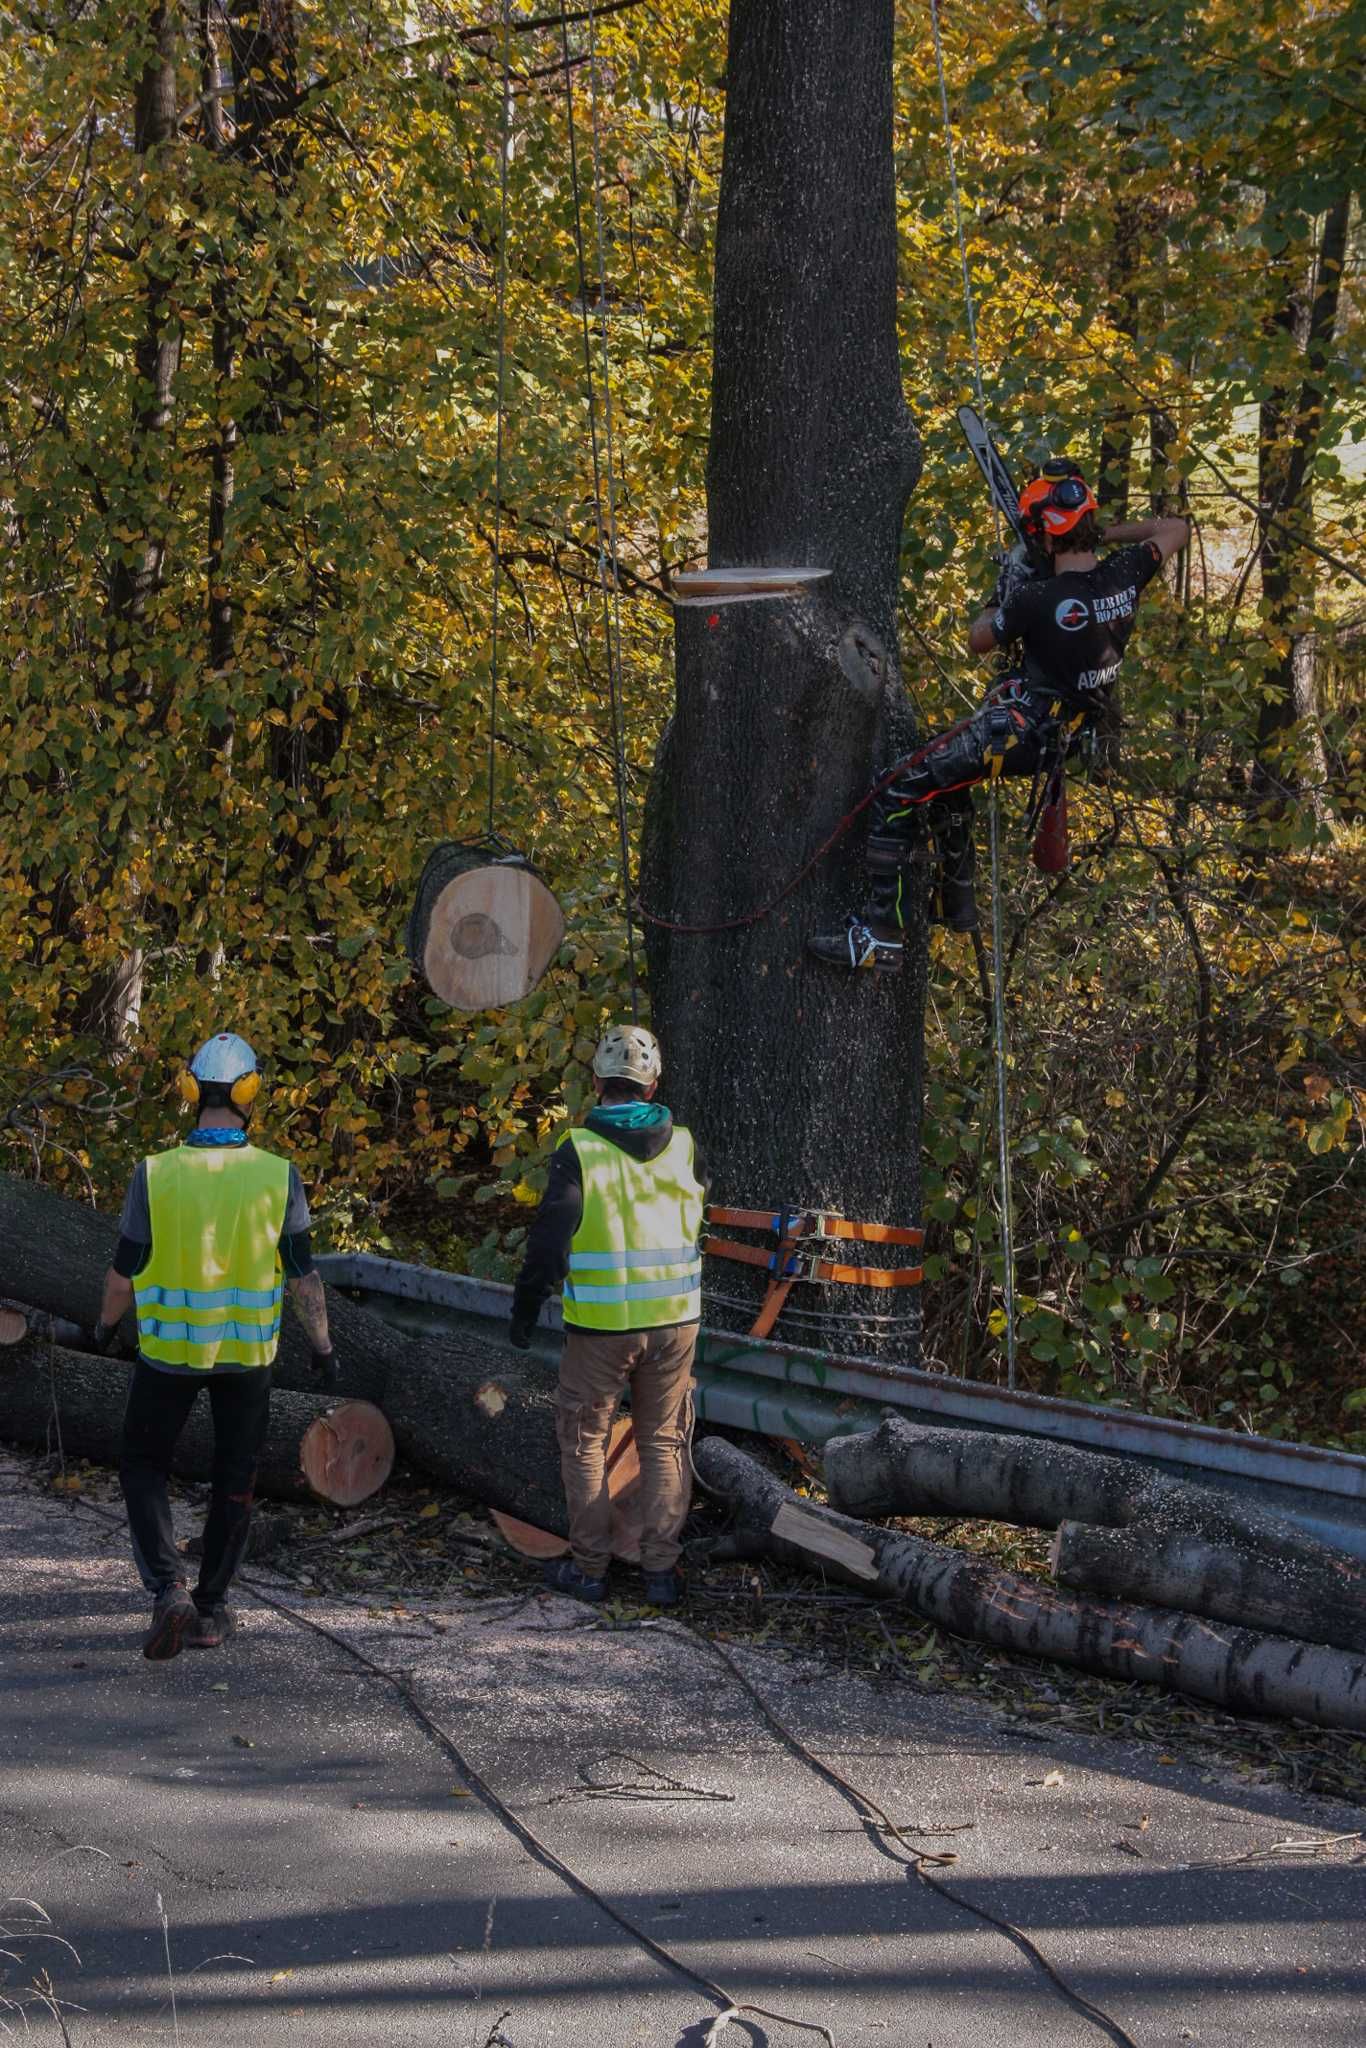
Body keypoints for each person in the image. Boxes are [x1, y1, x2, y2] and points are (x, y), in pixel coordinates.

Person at [809, 460, 1190, 969]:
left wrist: (1005, 587)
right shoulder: (1126, 572)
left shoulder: (1036, 597)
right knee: (946, 778)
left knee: (895, 788)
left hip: (1022, 730)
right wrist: (1103, 533)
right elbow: (1177, 528)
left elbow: (978, 638)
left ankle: (883, 934)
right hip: (1064, 737)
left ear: (1044, 539)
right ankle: (956, 898)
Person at [91, 1032, 338, 1661]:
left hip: (168, 1354)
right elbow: (302, 1275)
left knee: (144, 1464)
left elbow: (124, 1273)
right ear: (252, 1091)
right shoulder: (278, 1176)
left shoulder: (156, 1173)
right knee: (235, 1474)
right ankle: (211, 1609)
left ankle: (166, 1587)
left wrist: (103, 1327)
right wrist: (322, 1346)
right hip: (248, 1358)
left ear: (190, 1091)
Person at [508, 1024, 707, 1609]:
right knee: (665, 1442)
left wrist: (525, 1309)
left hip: (600, 1328)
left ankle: (590, 1570)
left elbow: (549, 1241)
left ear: (596, 1081)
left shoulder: (580, 1149)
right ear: (653, 1083)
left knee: (585, 1441)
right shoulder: (687, 1144)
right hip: (676, 1322)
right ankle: (661, 1575)